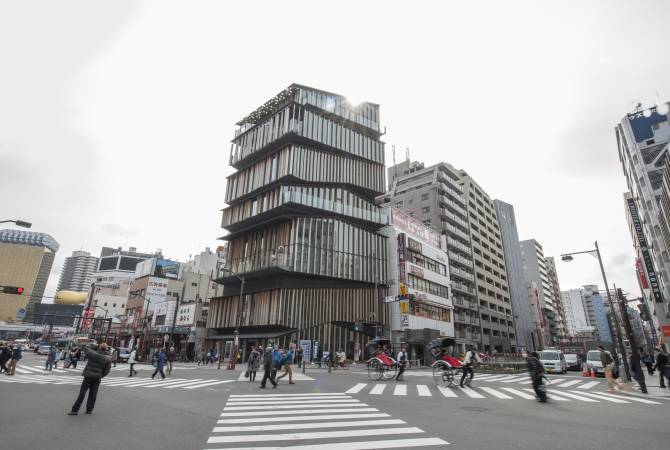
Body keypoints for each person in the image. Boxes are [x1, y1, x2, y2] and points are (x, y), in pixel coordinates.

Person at [68, 343, 111, 415]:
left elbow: (86, 348)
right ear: (106, 349)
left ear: (99, 347)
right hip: (97, 378)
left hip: (88, 376)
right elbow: (107, 371)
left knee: (82, 393)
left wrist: (93, 344)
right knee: (93, 394)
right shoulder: (107, 359)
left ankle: (75, 410)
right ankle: (89, 410)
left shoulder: (93, 354)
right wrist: (100, 375)